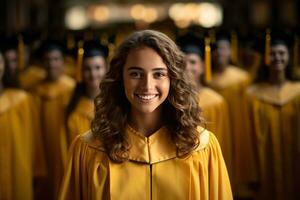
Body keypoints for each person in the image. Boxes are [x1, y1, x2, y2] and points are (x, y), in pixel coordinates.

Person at [59, 30, 232, 200]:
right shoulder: (89, 149)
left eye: (159, 74)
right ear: (120, 78)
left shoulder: (202, 146)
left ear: (173, 79)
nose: (147, 85)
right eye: (135, 74)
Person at [246, 30, 300, 200]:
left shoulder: (298, 92)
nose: (277, 57)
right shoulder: (252, 94)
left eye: (282, 53)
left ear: (289, 56)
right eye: (272, 53)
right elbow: (247, 137)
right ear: (265, 58)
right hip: (264, 166)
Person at [176, 31, 233, 181]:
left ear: (202, 66)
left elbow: (224, 143)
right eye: (183, 63)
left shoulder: (216, 101)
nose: (188, 67)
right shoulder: (173, 100)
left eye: (193, 62)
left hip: (210, 166)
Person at [209, 30, 256, 197]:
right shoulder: (207, 80)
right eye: (216, 49)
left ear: (231, 50)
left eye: (224, 48)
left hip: (238, 128)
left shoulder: (242, 78)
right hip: (217, 129)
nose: (220, 53)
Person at [32, 40, 75, 199]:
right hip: (42, 144)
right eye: (47, 60)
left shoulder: (71, 89)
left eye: (56, 59)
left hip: (65, 145)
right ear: (42, 63)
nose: (51, 64)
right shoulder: (36, 90)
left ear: (63, 62)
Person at [0, 48, 46, 199]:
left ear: (4, 66)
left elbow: (34, 141)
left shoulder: (21, 100)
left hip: (18, 176)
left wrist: (37, 172)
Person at [63, 40, 108, 152]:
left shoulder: (115, 104)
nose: (93, 74)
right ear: (81, 72)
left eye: (98, 68)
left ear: (106, 69)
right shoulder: (73, 108)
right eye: (87, 69)